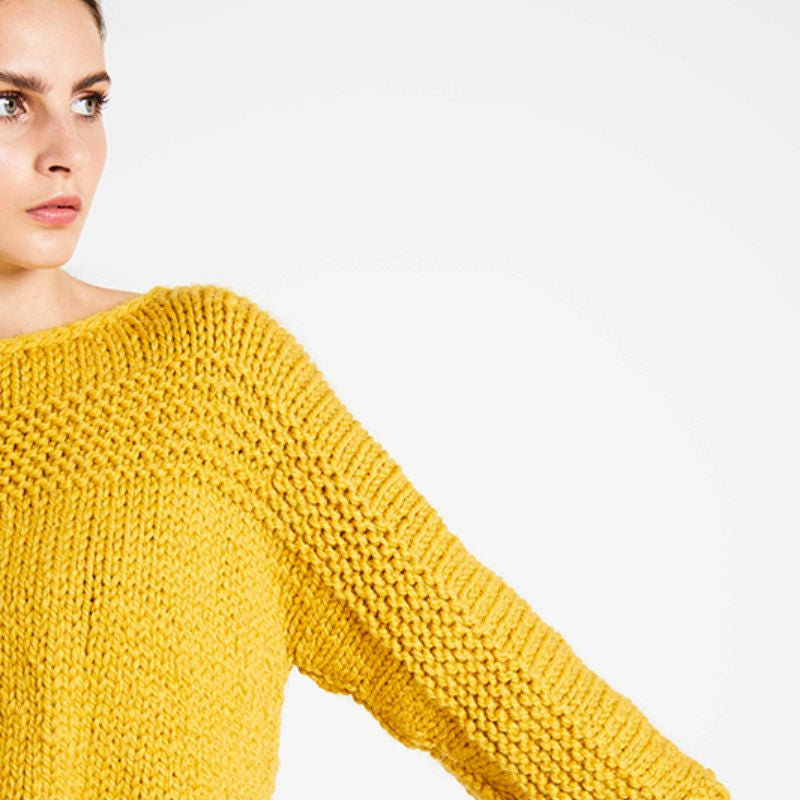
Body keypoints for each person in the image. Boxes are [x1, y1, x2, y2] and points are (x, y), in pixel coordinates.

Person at [0, 2, 731, 799]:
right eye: (9, 104)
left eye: (88, 102)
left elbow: (480, 669)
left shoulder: (206, 383)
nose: (67, 152)